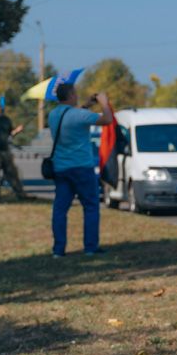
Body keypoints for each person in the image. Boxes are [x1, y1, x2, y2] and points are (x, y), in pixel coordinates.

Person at [48, 83, 112, 257]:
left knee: (60, 209)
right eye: (75, 93)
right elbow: (107, 120)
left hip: (61, 168)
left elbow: (74, 116)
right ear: (71, 95)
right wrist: (104, 103)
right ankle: (90, 247)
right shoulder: (79, 115)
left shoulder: (53, 115)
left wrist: (88, 104)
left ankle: (58, 249)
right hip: (82, 167)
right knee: (90, 207)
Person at [0, 101, 29, 201]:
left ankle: (21, 194)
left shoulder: (6, 120)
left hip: (5, 149)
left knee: (12, 173)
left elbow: (10, 133)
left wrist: (17, 130)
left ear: (0, 108)